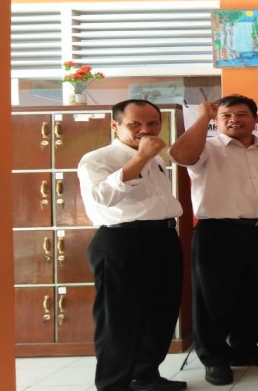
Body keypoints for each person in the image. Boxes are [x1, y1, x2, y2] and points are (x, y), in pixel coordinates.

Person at [168, 95, 258, 386]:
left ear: (255, 118)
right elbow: (180, 156)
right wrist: (204, 117)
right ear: (216, 120)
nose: (234, 119)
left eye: (242, 114)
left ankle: (245, 349)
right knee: (214, 300)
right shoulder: (206, 148)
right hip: (219, 233)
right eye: (226, 115)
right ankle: (214, 358)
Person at [78, 99, 186, 391]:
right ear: (115, 125)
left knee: (161, 311)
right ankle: (113, 384)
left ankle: (146, 375)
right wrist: (140, 157)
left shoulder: (157, 159)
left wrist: (147, 156)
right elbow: (102, 198)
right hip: (122, 240)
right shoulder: (97, 159)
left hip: (163, 237)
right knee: (120, 318)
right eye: (135, 124)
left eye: (152, 123)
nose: (145, 130)